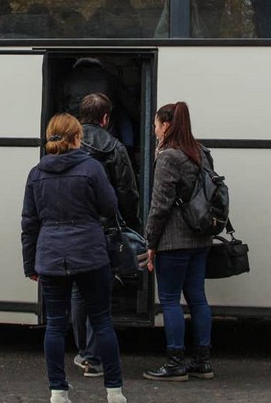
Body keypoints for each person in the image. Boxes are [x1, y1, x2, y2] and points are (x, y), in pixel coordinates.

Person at [21, 113, 127, 403]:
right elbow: (109, 207)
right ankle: (114, 390)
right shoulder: (92, 168)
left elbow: (29, 223)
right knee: (102, 322)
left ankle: (58, 391)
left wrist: (30, 264)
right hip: (90, 253)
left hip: (51, 256)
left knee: (55, 325)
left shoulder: (36, 173)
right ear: (77, 138)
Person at [142, 102, 215, 382]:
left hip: (174, 240)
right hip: (200, 237)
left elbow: (160, 205)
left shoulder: (169, 157)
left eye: (156, 125)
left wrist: (151, 242)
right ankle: (202, 361)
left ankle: (175, 362)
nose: (154, 130)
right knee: (197, 298)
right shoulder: (201, 152)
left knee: (170, 300)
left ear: (167, 125)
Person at [71, 93, 141, 380]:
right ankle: (93, 357)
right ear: (105, 118)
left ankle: (83, 350)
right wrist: (131, 223)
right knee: (100, 292)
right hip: (104, 229)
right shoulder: (114, 147)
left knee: (78, 290)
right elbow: (127, 192)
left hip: (74, 227)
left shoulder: (67, 144)